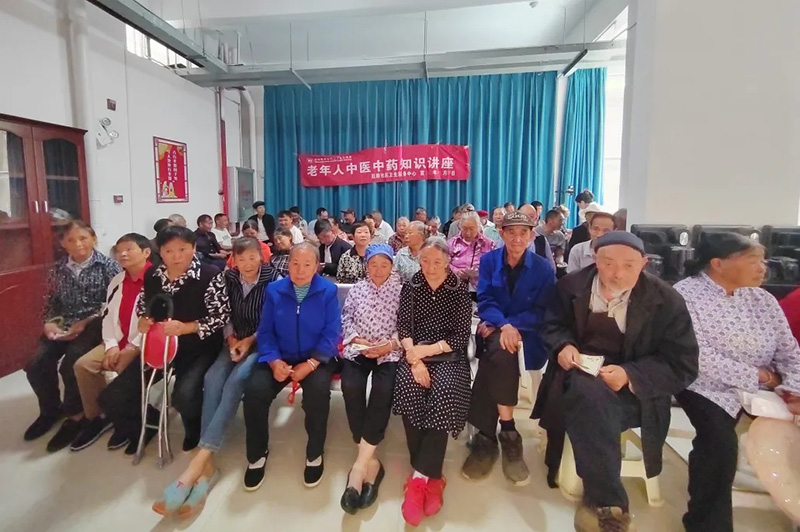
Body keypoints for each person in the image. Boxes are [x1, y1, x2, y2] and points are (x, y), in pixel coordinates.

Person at [533, 231, 699, 532]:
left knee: (594, 405)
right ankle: (609, 502)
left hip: (636, 394)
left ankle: (604, 501)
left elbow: (683, 364)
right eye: (608, 263)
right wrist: (563, 346)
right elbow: (553, 325)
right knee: (588, 392)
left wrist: (630, 374)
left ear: (644, 263)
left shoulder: (666, 301)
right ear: (595, 258)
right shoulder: (572, 286)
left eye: (628, 265)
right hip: (576, 379)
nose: (617, 273)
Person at [673, 233, 800, 532]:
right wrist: (761, 376)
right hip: (706, 386)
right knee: (718, 442)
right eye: (753, 261)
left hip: (769, 388)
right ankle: (706, 523)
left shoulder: (762, 299)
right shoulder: (685, 295)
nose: (762, 268)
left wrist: (793, 388)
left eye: (763, 261)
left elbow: (789, 351)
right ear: (718, 263)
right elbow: (696, 356)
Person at [153, 238, 281, 517]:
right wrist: (232, 338)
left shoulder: (274, 279)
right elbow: (224, 314)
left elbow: (273, 319)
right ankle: (206, 467)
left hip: (262, 343)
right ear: (234, 260)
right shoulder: (228, 278)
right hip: (232, 341)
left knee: (235, 382)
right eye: (241, 258)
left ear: (261, 257)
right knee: (212, 379)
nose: (247, 264)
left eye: (252, 257)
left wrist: (249, 341)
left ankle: (199, 464)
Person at [98, 226, 227, 456]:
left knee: (184, 396)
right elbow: (143, 306)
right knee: (113, 395)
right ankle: (147, 423)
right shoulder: (153, 275)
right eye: (169, 251)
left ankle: (193, 430)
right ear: (161, 252)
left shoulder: (210, 274)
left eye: (182, 249)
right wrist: (144, 320)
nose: (176, 256)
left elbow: (221, 316)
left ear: (193, 248)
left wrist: (186, 327)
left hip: (199, 347)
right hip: (159, 346)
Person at [461, 211, 555, 485]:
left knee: (498, 355)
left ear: (531, 235)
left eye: (523, 232)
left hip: (529, 336)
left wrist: (511, 326)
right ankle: (509, 432)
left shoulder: (543, 268)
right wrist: (503, 325)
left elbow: (544, 310)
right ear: (501, 234)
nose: (516, 238)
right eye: (511, 232)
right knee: (500, 352)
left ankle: (486, 437)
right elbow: (485, 299)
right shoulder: (490, 261)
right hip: (496, 329)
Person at [243, 242, 340, 490]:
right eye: (295, 263)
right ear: (288, 264)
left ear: (317, 267)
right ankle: (257, 453)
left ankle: (315, 452)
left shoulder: (328, 291)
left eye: (307, 264)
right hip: (280, 357)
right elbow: (265, 331)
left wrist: (311, 363)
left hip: (315, 358)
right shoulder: (274, 290)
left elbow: (332, 333)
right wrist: (274, 360)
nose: (300, 270)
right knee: (254, 392)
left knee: (317, 394)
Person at [393, 237, 473, 527]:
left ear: (448, 261)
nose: (430, 267)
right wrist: (414, 361)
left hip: (448, 355)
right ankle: (433, 477)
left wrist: (424, 353)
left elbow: (460, 336)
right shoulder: (412, 285)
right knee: (408, 388)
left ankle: (419, 478)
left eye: (437, 261)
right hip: (414, 354)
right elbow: (403, 327)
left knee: (443, 393)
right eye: (425, 260)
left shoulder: (458, 289)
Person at [23, 221, 121, 452]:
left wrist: (86, 321)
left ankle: (76, 416)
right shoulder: (57, 269)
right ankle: (50, 411)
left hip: (95, 324)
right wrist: (50, 323)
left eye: (83, 238)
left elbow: (114, 303)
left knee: (70, 365)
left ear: (93, 239)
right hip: (64, 325)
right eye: (71, 240)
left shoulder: (109, 267)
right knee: (35, 364)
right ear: (63, 243)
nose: (78, 244)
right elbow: (50, 302)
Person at [70, 233, 152, 452]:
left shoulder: (157, 279)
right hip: (117, 341)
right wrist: (111, 345)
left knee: (122, 378)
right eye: (119, 250)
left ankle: (132, 417)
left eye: (129, 249)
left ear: (146, 252)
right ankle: (98, 417)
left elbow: (156, 322)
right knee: (83, 365)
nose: (122, 254)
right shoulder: (117, 280)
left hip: (144, 345)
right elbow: (107, 317)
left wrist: (131, 348)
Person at [339, 244, 403, 514]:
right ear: (366, 266)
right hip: (360, 348)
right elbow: (346, 318)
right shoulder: (357, 289)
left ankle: (359, 467)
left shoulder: (401, 291)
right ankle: (371, 461)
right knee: (350, 385)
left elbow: (407, 326)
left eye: (384, 265)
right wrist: (358, 340)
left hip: (389, 351)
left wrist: (389, 345)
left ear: (392, 266)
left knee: (383, 390)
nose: (378, 270)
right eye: (373, 264)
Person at [447, 211, 494, 292]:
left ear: (478, 227)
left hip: (481, 288)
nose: (468, 233)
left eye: (471, 229)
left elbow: (494, 265)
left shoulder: (488, 244)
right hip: (455, 287)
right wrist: (457, 271)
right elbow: (443, 263)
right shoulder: (452, 243)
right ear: (460, 227)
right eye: (465, 229)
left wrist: (478, 272)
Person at [497, 204, 555, 268]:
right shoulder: (506, 237)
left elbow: (551, 266)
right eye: (524, 216)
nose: (527, 219)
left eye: (531, 216)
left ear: (536, 218)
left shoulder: (541, 240)